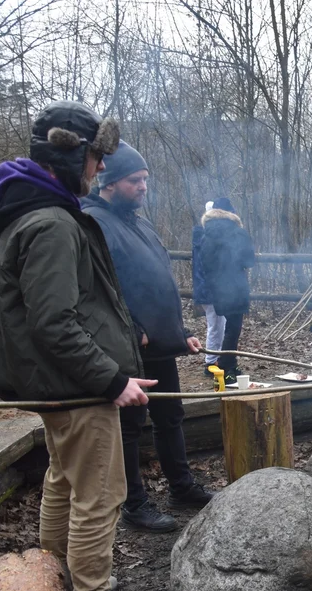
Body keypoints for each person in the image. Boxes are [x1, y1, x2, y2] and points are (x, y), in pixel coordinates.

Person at [0, 100, 164, 591]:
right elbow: (55, 321)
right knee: (100, 493)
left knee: (64, 479)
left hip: (59, 385)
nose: (99, 170)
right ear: (72, 156)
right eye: (94, 159)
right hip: (76, 387)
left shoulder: (31, 211)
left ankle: (53, 577)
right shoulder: (51, 222)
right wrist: (111, 379)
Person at [83, 141, 215, 533]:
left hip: (158, 341)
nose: (143, 187)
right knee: (129, 425)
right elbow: (98, 289)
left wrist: (182, 332)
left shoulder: (137, 220)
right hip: (127, 345)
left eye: (144, 180)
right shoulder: (93, 222)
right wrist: (132, 328)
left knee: (170, 414)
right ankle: (134, 505)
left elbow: (159, 285)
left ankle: (181, 487)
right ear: (108, 181)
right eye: (134, 180)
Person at [200, 197, 255, 384]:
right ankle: (226, 366)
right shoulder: (237, 232)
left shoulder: (206, 234)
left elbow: (205, 262)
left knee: (228, 327)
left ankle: (228, 362)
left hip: (218, 286)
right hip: (236, 285)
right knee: (233, 328)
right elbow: (249, 260)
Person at [192, 200, 226, 379]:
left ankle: (216, 358)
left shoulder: (203, 237)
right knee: (216, 326)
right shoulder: (205, 238)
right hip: (210, 290)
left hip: (209, 289)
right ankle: (211, 362)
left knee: (219, 325)